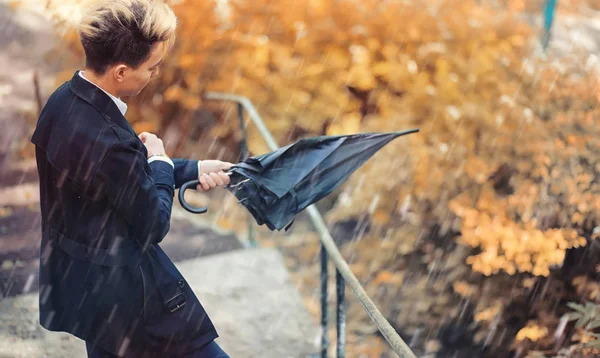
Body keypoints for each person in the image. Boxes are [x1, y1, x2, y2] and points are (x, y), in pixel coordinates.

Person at [30, 0, 231, 356]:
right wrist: (161, 164)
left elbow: (115, 177)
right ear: (121, 72)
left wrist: (193, 169)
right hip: (128, 296)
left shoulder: (63, 101)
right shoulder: (109, 138)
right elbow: (154, 223)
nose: (155, 74)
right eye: (152, 67)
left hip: (86, 286)